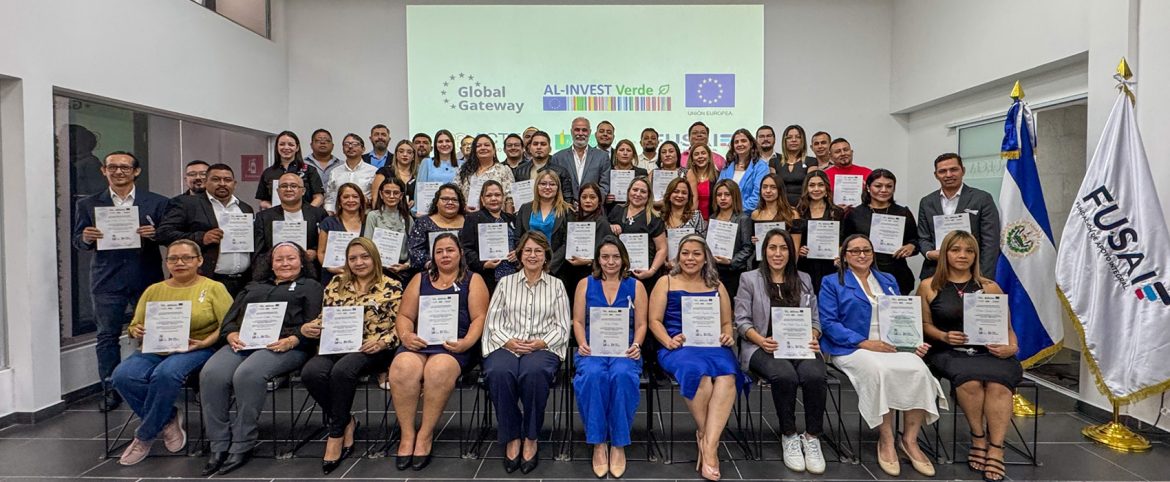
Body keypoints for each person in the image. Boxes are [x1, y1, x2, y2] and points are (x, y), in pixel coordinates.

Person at [818, 234, 945, 478]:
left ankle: (909, 441)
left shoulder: (888, 280)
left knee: (919, 369)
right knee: (881, 371)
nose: (862, 255)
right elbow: (829, 323)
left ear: (873, 254)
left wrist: (912, 343)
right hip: (853, 347)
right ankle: (886, 439)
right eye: (855, 251)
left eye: (866, 250)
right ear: (844, 256)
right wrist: (865, 342)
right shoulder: (832, 282)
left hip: (891, 344)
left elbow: (901, 316)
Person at [198, 243, 323, 476]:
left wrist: (293, 339)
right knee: (211, 373)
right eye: (279, 259)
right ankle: (218, 443)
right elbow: (229, 321)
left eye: (291, 258)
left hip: (286, 346)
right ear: (270, 264)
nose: (285, 263)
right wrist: (231, 334)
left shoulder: (311, 286)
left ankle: (242, 442)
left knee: (247, 374)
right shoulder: (253, 286)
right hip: (243, 343)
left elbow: (314, 324)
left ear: (302, 262)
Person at [111, 240, 233, 465]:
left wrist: (204, 343)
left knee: (165, 374)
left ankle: (144, 437)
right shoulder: (154, 290)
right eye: (173, 258)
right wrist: (136, 330)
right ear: (166, 263)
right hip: (154, 348)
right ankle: (167, 419)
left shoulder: (214, 288)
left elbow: (228, 325)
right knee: (122, 375)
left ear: (199, 261)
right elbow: (134, 325)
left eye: (187, 258)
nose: (179, 263)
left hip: (196, 347)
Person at [73, 151, 171, 411]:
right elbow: (78, 241)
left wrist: (156, 234)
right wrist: (86, 238)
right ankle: (110, 389)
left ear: (136, 171)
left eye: (125, 167)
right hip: (106, 280)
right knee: (107, 336)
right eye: (112, 167)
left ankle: (152, 384)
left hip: (146, 277)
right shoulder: (88, 204)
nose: (118, 172)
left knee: (154, 333)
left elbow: (170, 237)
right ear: (104, 171)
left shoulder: (157, 202)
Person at [919, 231, 1021, 482]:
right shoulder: (929, 286)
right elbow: (924, 324)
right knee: (970, 381)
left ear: (976, 256)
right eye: (955, 250)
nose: (962, 255)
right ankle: (978, 437)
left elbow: (1007, 327)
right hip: (949, 352)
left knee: (999, 384)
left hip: (991, 352)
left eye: (969, 251)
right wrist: (943, 336)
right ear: (945, 254)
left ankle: (996, 448)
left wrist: (1012, 347)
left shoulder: (990, 287)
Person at [299, 237, 402, 474]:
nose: (359, 262)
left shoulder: (392, 285)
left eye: (364, 257)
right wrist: (309, 327)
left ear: (374, 258)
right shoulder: (336, 283)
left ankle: (335, 434)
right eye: (353, 258)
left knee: (342, 370)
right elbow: (325, 317)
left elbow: (401, 326)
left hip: (372, 349)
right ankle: (346, 420)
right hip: (337, 345)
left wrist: (383, 342)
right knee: (311, 372)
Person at [649, 234, 746, 481]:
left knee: (727, 374)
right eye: (685, 253)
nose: (690, 258)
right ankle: (709, 440)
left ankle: (708, 443)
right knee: (697, 373)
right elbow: (654, 321)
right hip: (677, 346)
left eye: (696, 254)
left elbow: (726, 323)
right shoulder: (665, 282)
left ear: (705, 259)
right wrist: (668, 340)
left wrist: (727, 336)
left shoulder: (716, 285)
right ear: (678, 256)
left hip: (712, 345)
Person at [390, 232, 489, 470]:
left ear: (460, 254)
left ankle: (425, 434)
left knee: (438, 369)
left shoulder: (473, 280)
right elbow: (404, 315)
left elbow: (480, 318)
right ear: (433, 256)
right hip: (420, 343)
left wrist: (467, 342)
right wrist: (406, 335)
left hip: (456, 346)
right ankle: (407, 434)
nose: (445, 255)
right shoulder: (420, 279)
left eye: (450, 250)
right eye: (439, 251)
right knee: (402, 367)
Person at [733, 229, 826, 474]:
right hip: (762, 346)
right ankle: (789, 435)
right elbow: (741, 321)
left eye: (783, 248)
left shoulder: (804, 278)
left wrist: (814, 335)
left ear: (791, 252)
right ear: (764, 251)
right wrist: (761, 340)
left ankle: (812, 437)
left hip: (800, 346)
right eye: (772, 248)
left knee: (815, 375)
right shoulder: (749, 279)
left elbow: (815, 320)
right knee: (784, 375)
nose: (778, 253)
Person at [482, 231, 572, 474]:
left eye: (538, 251)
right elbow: (492, 322)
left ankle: (531, 436)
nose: (533, 255)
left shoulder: (556, 286)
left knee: (533, 373)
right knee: (499, 372)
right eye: (528, 250)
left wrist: (540, 343)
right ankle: (512, 435)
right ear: (520, 255)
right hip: (507, 344)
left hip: (542, 346)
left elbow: (562, 326)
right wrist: (509, 342)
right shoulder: (505, 283)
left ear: (546, 256)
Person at [572, 236, 648, 479]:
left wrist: (637, 344)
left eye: (616, 256)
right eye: (605, 257)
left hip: (624, 349)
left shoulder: (636, 286)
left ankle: (618, 443)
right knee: (593, 375)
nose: (611, 261)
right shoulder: (585, 284)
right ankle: (598, 443)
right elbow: (578, 321)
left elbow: (642, 324)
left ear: (624, 259)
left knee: (622, 375)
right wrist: (581, 343)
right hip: (591, 348)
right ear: (598, 259)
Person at [157, 163, 255, 296]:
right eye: (216, 179)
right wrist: (201, 238)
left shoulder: (245, 208)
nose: (222, 184)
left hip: (242, 282)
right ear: (206, 182)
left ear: (234, 184)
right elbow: (163, 233)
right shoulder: (188, 204)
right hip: (205, 279)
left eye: (227, 180)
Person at [916, 153, 1001, 281]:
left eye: (954, 169)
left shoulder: (982, 199)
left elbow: (990, 242)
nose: (948, 175)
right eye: (942, 171)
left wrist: (982, 276)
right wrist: (929, 253)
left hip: (972, 273)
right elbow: (923, 237)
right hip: (935, 272)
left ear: (963, 171)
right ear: (936, 175)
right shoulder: (926, 202)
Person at [842, 169, 920, 295]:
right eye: (878, 186)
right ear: (868, 187)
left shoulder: (903, 212)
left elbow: (915, 240)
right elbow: (845, 242)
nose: (884, 190)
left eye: (889, 186)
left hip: (896, 272)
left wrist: (911, 246)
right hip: (863, 271)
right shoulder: (855, 214)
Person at [253, 172, 329, 269]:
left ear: (303, 191)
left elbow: (327, 247)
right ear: (277, 191)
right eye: (284, 186)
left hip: (311, 271)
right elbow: (258, 254)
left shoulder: (319, 214)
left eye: (294, 186)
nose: (288, 189)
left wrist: (315, 253)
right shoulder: (264, 217)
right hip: (275, 272)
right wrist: (275, 257)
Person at [608, 177, 668, 286]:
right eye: (635, 190)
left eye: (643, 191)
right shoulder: (617, 210)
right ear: (628, 191)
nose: (638, 194)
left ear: (649, 196)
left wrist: (651, 271)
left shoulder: (653, 217)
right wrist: (610, 226)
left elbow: (662, 249)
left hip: (643, 275)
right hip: (617, 273)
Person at [460, 180, 518, 291]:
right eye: (489, 195)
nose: (493, 198)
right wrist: (483, 264)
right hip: (486, 277)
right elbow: (467, 248)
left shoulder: (511, 218)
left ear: (503, 197)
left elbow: (519, 242)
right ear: (482, 199)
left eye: (497, 195)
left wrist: (517, 253)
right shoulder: (473, 219)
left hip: (512, 276)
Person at [795, 171, 845, 294]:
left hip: (830, 265)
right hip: (805, 265)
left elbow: (843, 239)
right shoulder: (798, 212)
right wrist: (799, 250)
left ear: (826, 187)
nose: (816, 189)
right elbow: (793, 239)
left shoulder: (837, 212)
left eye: (820, 185)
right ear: (806, 188)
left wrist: (839, 253)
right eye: (812, 185)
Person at [516, 170, 573, 277]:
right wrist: (528, 261)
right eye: (543, 184)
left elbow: (568, 243)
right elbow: (518, 238)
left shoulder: (567, 210)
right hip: (528, 266)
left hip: (556, 269)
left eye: (552, 184)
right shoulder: (525, 208)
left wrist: (549, 265)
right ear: (537, 186)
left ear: (558, 188)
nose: (547, 187)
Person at [561, 182, 612, 303]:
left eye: (592, 197)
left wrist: (589, 261)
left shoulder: (603, 223)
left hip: (591, 274)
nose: (588, 201)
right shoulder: (572, 219)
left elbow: (608, 253)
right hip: (569, 272)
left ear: (599, 200)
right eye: (584, 197)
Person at [255, 130, 325, 209]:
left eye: (291, 144)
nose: (286, 147)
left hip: (304, 215)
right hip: (277, 215)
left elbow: (319, 197)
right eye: (282, 144)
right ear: (277, 147)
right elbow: (263, 201)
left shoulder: (310, 170)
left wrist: (307, 212)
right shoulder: (268, 172)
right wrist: (273, 210)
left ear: (297, 148)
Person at [708, 180, 754, 298]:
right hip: (714, 271)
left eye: (727, 194)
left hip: (734, 272)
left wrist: (731, 261)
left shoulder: (743, 218)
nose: (723, 198)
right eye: (719, 195)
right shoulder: (713, 218)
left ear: (734, 196)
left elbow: (748, 248)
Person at [364, 176, 414, 281]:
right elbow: (367, 246)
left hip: (402, 271)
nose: (391, 196)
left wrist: (406, 265)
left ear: (401, 196)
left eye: (396, 193)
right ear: (381, 194)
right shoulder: (373, 216)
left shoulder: (408, 219)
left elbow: (414, 248)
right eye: (387, 192)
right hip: (378, 270)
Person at [552, 117, 612, 202]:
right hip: (565, 207)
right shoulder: (558, 157)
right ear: (571, 132)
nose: (580, 133)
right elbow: (555, 185)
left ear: (590, 132)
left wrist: (593, 203)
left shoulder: (602, 157)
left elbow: (604, 186)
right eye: (577, 130)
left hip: (593, 207)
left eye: (584, 130)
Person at [408, 183, 466, 271]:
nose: (450, 202)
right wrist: (432, 264)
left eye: (454, 200)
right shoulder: (423, 222)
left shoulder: (469, 221)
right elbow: (415, 251)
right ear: (436, 202)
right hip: (431, 271)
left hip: (466, 270)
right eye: (445, 199)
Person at [317, 183, 368, 282]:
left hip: (363, 276)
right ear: (339, 201)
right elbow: (321, 252)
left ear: (361, 200)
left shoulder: (368, 221)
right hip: (333, 277)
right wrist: (330, 268)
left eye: (355, 197)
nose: (351, 200)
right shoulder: (328, 222)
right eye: (346, 197)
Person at [511, 130, 574, 202]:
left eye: (543, 144)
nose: (539, 147)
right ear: (530, 148)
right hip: (527, 208)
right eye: (535, 144)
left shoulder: (561, 171)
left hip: (554, 209)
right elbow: (517, 198)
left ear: (550, 149)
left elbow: (567, 198)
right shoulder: (520, 170)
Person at [457, 134, 515, 213]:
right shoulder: (463, 170)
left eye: (487, 145)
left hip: (496, 218)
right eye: (478, 146)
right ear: (474, 150)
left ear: (494, 150)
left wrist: (508, 217)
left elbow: (510, 198)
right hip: (467, 216)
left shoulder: (503, 170)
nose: (483, 148)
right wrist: (463, 207)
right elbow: (456, 193)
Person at [718, 129, 771, 212]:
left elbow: (757, 196)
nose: (740, 144)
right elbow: (718, 190)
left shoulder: (761, 167)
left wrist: (736, 210)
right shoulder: (727, 166)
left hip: (749, 215)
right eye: (736, 142)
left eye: (743, 141)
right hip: (726, 213)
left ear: (751, 144)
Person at [324, 133, 378, 214]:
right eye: (346, 144)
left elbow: (377, 198)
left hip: (365, 215)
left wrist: (368, 201)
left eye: (355, 144)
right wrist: (330, 214)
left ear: (363, 149)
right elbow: (330, 198)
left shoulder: (373, 171)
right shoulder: (335, 172)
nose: (350, 147)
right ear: (343, 149)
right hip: (340, 216)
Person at [751, 174, 803, 254]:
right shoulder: (755, 214)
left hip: (784, 259)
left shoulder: (792, 214)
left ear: (780, 190)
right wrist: (754, 241)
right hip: (761, 259)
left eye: (773, 187)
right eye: (764, 187)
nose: (768, 191)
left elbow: (795, 249)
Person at [414, 130, 461, 215]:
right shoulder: (427, 163)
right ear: (435, 145)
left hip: (456, 212)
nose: (444, 144)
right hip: (431, 213)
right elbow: (419, 190)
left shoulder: (462, 164)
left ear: (453, 144)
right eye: (440, 141)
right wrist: (418, 209)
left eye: (447, 141)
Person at [661, 178, 707, 265]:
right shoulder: (660, 218)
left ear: (688, 197)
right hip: (664, 266)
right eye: (676, 191)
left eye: (684, 193)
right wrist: (664, 262)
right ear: (669, 194)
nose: (680, 195)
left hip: (690, 265)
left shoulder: (695, 216)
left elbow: (702, 244)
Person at [771, 125, 818, 206]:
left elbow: (811, 186)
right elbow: (773, 187)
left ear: (802, 140)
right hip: (780, 206)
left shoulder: (811, 161)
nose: (793, 140)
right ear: (784, 141)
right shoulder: (774, 162)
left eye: (798, 137)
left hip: (804, 205)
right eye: (789, 137)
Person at [372, 139, 419, 215]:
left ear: (413, 156)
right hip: (386, 215)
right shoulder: (384, 171)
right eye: (401, 151)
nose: (405, 154)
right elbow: (375, 200)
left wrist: (415, 203)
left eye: (409, 152)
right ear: (396, 155)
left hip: (412, 216)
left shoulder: (419, 174)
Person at [822, 138, 872, 207]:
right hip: (833, 212)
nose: (843, 154)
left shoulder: (867, 173)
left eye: (846, 150)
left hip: (863, 212)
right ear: (830, 156)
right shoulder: (824, 176)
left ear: (851, 152)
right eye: (837, 152)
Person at [605, 139, 649, 211]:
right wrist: (605, 198)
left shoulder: (641, 173)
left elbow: (647, 195)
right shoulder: (607, 172)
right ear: (616, 154)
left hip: (636, 211)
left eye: (628, 150)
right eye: (621, 150)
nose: (625, 153)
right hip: (611, 211)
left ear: (633, 155)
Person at [684, 144, 719, 220]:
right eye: (696, 154)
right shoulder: (685, 176)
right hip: (691, 220)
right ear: (692, 159)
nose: (700, 156)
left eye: (703, 153)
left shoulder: (718, 176)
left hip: (712, 220)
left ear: (709, 157)